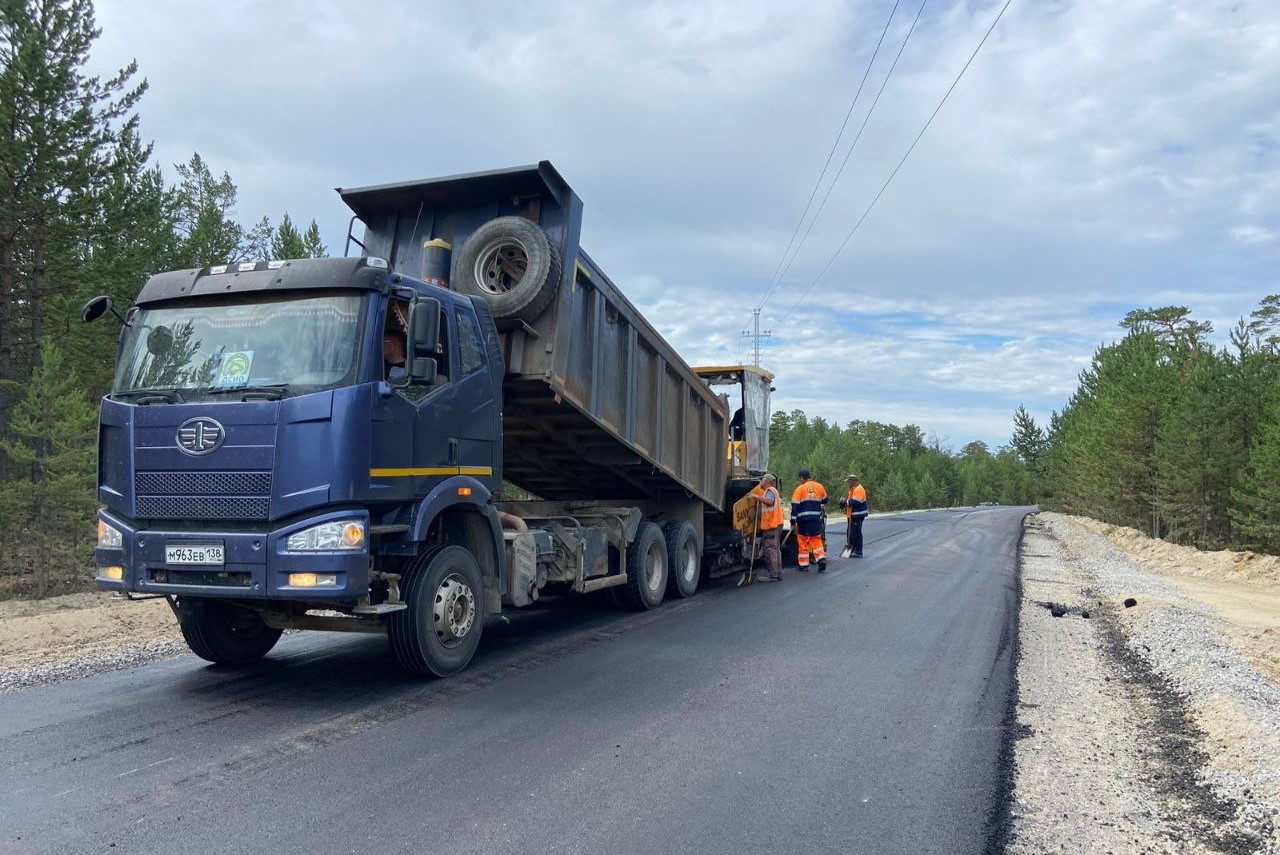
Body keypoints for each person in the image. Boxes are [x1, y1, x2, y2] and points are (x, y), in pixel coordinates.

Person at [745, 473, 783, 582]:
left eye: (762, 480)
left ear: (766, 481)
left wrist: (755, 497)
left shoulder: (770, 491)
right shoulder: (773, 491)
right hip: (776, 524)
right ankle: (777, 574)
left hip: (771, 525)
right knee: (775, 550)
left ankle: (772, 575)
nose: (760, 482)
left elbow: (769, 502)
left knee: (770, 550)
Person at [790, 468, 828, 572]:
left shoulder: (800, 489)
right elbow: (825, 500)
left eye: (800, 479)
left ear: (802, 478)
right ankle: (821, 560)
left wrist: (793, 521)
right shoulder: (819, 486)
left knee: (803, 541)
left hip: (804, 520)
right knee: (816, 539)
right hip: (816, 518)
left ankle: (803, 565)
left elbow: (795, 507)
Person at [839, 474, 869, 557]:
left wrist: (846, 501)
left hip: (858, 515)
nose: (848, 483)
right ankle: (852, 549)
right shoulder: (852, 489)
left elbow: (855, 502)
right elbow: (850, 502)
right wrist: (844, 502)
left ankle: (858, 551)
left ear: (853, 481)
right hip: (852, 515)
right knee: (850, 533)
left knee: (856, 533)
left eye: (849, 481)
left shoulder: (859, 489)